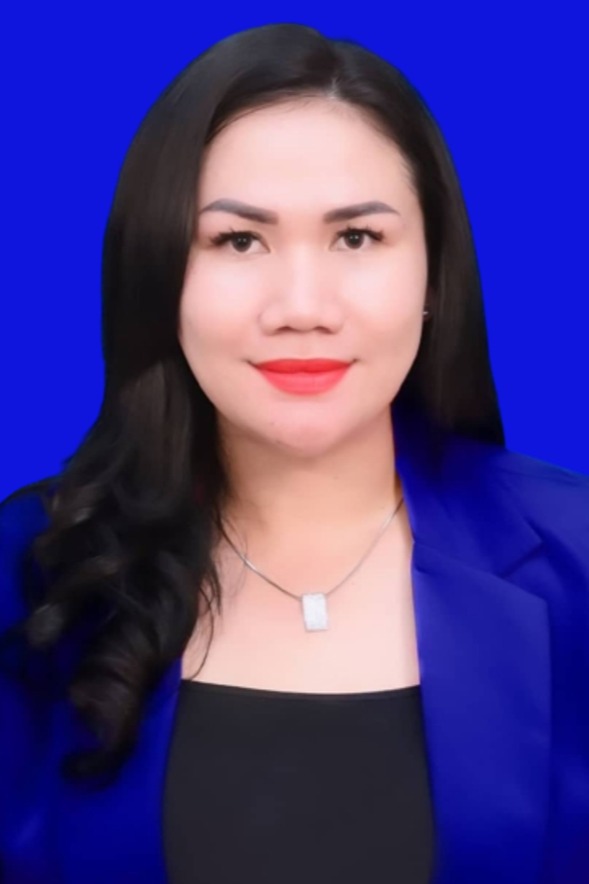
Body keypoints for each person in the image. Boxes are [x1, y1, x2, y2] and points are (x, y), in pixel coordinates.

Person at [1, 21, 588, 884]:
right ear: (159, 277)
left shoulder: (574, 555)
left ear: (433, 274)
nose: (302, 308)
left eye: (356, 238)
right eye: (238, 241)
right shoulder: (32, 567)